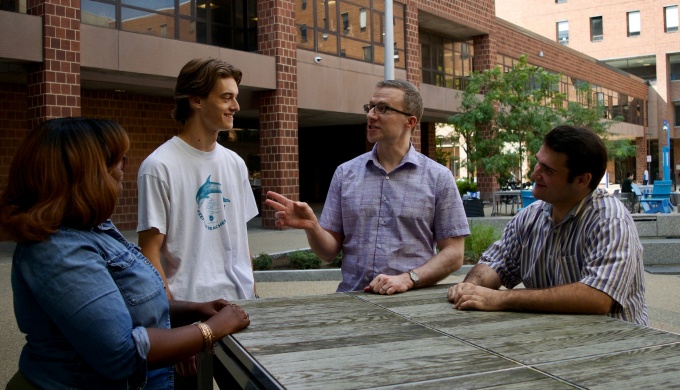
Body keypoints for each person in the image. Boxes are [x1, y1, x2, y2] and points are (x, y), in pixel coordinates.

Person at [0, 118, 250, 389]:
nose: (122, 170)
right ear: (83, 173)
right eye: (115, 161)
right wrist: (210, 330)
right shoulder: (58, 250)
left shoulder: (94, 229)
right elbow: (121, 353)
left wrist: (190, 309)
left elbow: (121, 303)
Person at [266, 79, 469, 294]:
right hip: (353, 302)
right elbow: (328, 253)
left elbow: (454, 254)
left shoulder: (438, 178)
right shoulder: (345, 173)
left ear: (409, 122)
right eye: (370, 107)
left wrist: (409, 279)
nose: (371, 115)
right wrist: (312, 227)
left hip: (413, 302)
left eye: (383, 108)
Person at [447, 125, 648, 325]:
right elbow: (495, 264)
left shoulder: (610, 221)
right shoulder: (530, 217)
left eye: (548, 170)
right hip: (551, 341)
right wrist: (471, 288)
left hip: (614, 346)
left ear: (581, 180)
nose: (534, 175)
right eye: (538, 163)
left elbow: (597, 297)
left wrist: (498, 299)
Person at [137, 58, 258, 387]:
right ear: (196, 99)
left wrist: (254, 297)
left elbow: (240, 240)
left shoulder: (234, 163)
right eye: (226, 97)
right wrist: (172, 327)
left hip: (240, 310)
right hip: (190, 316)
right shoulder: (159, 166)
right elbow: (150, 252)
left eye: (236, 96)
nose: (236, 105)